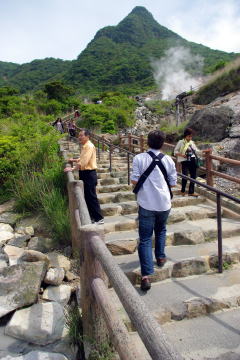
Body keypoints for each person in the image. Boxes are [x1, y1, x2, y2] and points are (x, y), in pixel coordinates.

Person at [131, 130, 177, 291]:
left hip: (146, 203)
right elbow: (173, 183)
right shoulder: (169, 160)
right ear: (163, 143)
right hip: (164, 203)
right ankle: (160, 257)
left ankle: (146, 276)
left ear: (147, 142)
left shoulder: (139, 158)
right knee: (161, 230)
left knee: (144, 239)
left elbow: (134, 180)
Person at [64, 129, 104, 225]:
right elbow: (82, 159)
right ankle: (93, 217)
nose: (79, 137)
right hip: (86, 173)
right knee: (87, 196)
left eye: (81, 135)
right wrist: (74, 160)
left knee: (91, 196)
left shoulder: (89, 146)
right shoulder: (85, 146)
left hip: (89, 173)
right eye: (79, 135)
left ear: (87, 136)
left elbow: (84, 162)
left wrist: (73, 169)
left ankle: (99, 218)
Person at [174, 128, 201, 197]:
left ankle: (191, 192)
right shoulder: (181, 142)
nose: (190, 138)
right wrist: (182, 155)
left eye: (191, 136)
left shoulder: (192, 142)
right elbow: (175, 152)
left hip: (192, 160)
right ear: (185, 136)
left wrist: (204, 151)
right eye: (189, 136)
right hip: (184, 161)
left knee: (193, 176)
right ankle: (183, 190)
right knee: (185, 175)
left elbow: (196, 151)